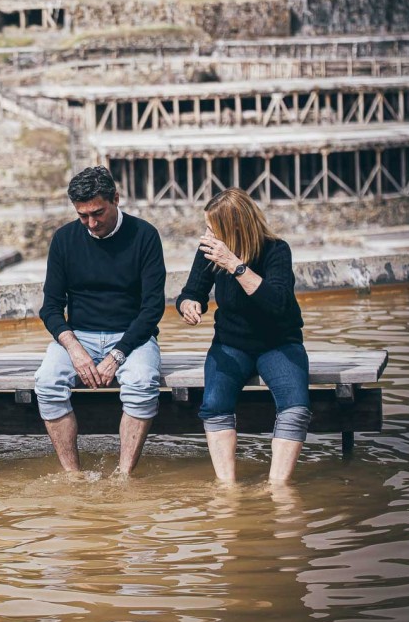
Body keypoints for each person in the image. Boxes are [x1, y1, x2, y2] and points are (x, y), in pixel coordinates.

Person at [35, 166, 166, 475]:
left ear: (116, 199)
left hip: (133, 336)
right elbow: (51, 308)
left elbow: (152, 309)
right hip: (79, 335)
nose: (91, 223)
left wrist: (117, 354)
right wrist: (74, 348)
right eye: (82, 216)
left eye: (97, 213)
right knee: (47, 382)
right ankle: (73, 474)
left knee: (142, 382)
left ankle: (124, 475)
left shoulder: (145, 235)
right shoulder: (64, 239)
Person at [176, 188, 311, 484]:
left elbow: (277, 303)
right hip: (231, 343)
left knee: (296, 408)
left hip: (278, 344)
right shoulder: (209, 250)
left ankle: (278, 488)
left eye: (213, 228)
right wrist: (189, 305)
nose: (207, 234)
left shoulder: (276, 251)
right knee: (214, 405)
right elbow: (190, 292)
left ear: (235, 227)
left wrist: (235, 266)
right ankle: (228, 488)